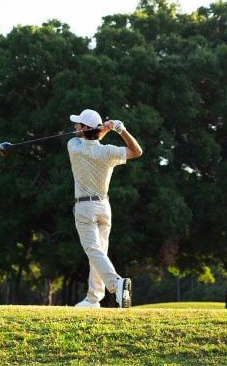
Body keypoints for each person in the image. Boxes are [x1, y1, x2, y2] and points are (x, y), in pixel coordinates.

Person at [68, 108, 143, 308]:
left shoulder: (73, 146)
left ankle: (115, 283)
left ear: (84, 129)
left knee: (94, 250)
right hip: (104, 207)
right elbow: (137, 151)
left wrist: (104, 129)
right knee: (99, 252)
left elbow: (89, 137)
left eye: (78, 124)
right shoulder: (108, 151)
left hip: (85, 207)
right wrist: (119, 129)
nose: (74, 127)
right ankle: (93, 299)